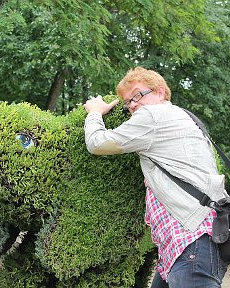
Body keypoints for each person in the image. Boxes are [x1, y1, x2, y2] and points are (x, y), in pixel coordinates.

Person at [83, 67, 229, 287]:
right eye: (127, 102)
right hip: (189, 240)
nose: (131, 104)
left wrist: (95, 112)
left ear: (160, 93)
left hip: (190, 238)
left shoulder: (153, 115)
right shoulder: (184, 117)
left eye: (137, 95)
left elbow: (98, 143)